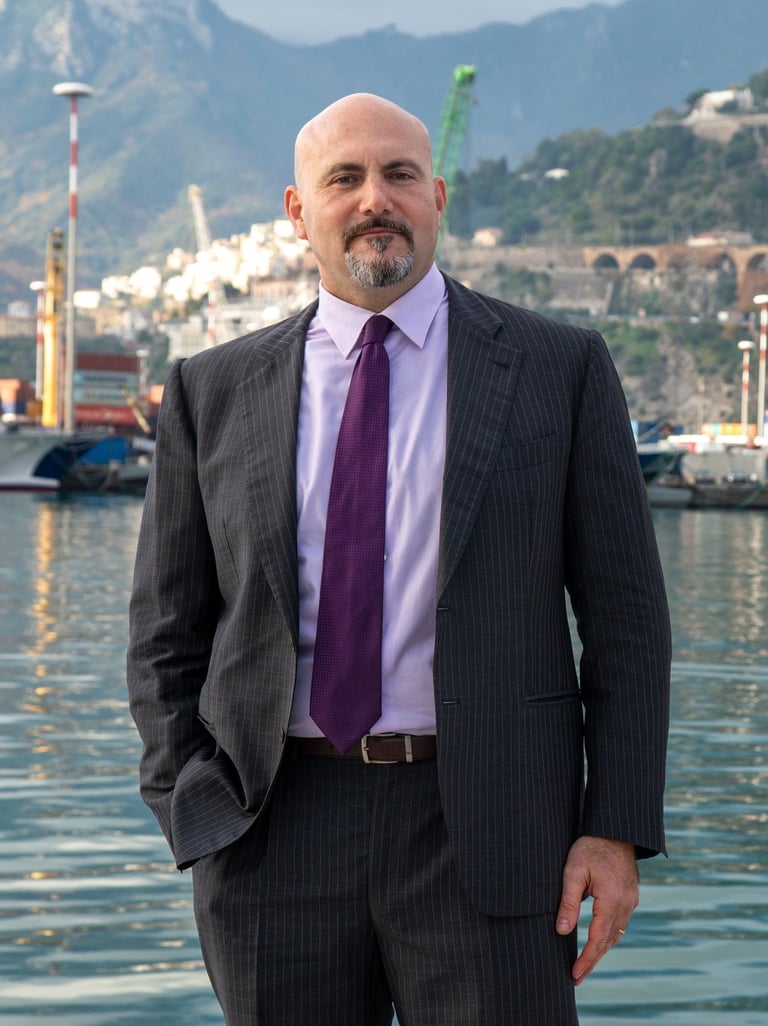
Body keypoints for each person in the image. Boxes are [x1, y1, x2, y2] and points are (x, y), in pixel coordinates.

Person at [127, 93, 671, 1026]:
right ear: (298, 211)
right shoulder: (210, 390)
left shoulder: (560, 368)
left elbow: (626, 621)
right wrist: (194, 807)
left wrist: (613, 829)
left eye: (400, 175)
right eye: (344, 178)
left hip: (495, 833)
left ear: (437, 198)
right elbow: (163, 634)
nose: (374, 198)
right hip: (270, 833)